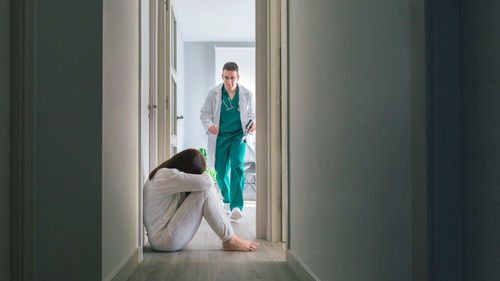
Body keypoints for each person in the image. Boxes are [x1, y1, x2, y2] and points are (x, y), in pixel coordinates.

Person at [143, 148, 259, 252]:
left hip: (163, 238)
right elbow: (207, 182)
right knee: (205, 190)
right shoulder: (167, 176)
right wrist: (203, 174)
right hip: (163, 241)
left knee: (204, 188)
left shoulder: (164, 174)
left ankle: (229, 237)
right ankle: (230, 239)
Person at [200, 62, 256, 220]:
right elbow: (204, 113)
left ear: (237, 77)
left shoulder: (247, 94)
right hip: (220, 137)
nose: (229, 82)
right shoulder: (214, 93)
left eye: (232, 78)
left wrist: (252, 124)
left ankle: (237, 205)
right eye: (226, 78)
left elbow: (252, 115)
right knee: (221, 172)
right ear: (222, 76)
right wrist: (209, 125)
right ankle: (227, 198)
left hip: (238, 136)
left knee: (237, 165)